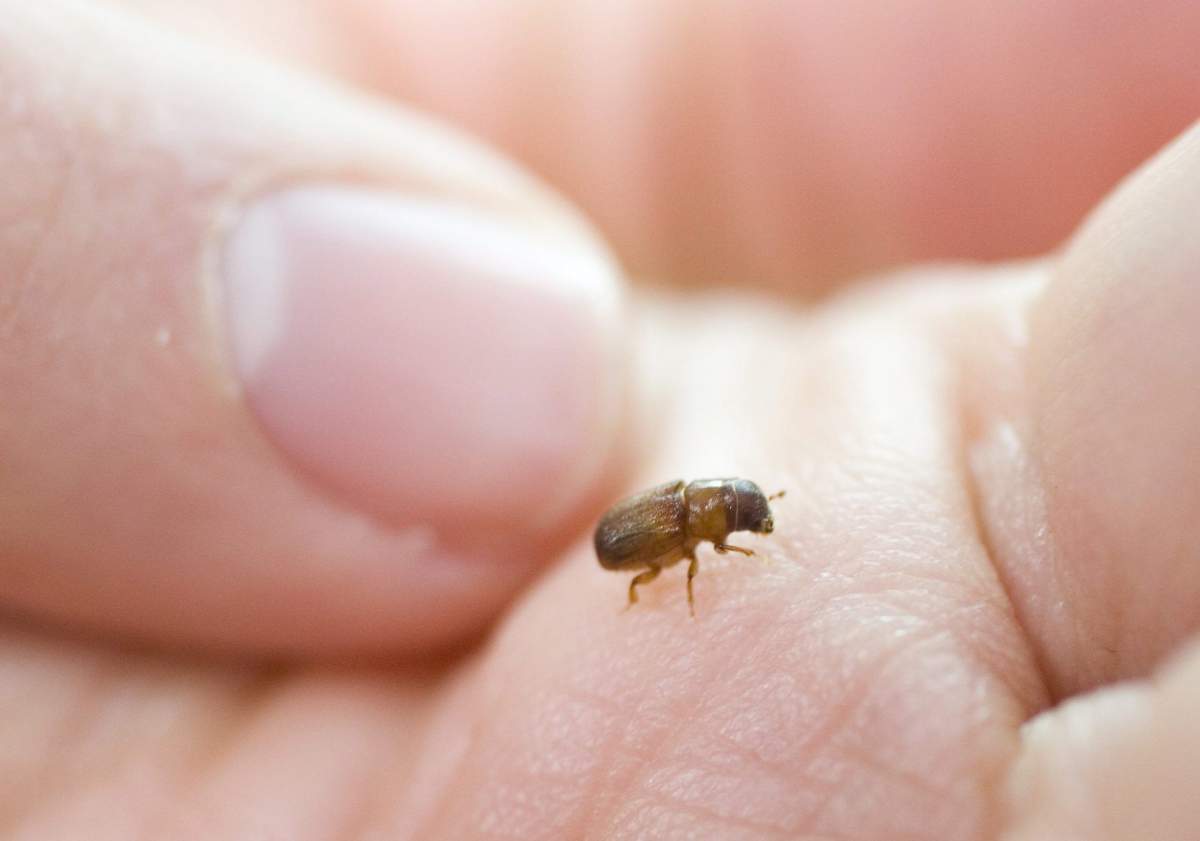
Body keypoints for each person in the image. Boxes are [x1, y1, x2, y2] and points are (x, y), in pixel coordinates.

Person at [4, 2, 1200, 837]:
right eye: (740, 510)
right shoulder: (681, 526)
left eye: (738, 511)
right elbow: (663, 546)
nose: (740, 518)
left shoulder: (698, 517)